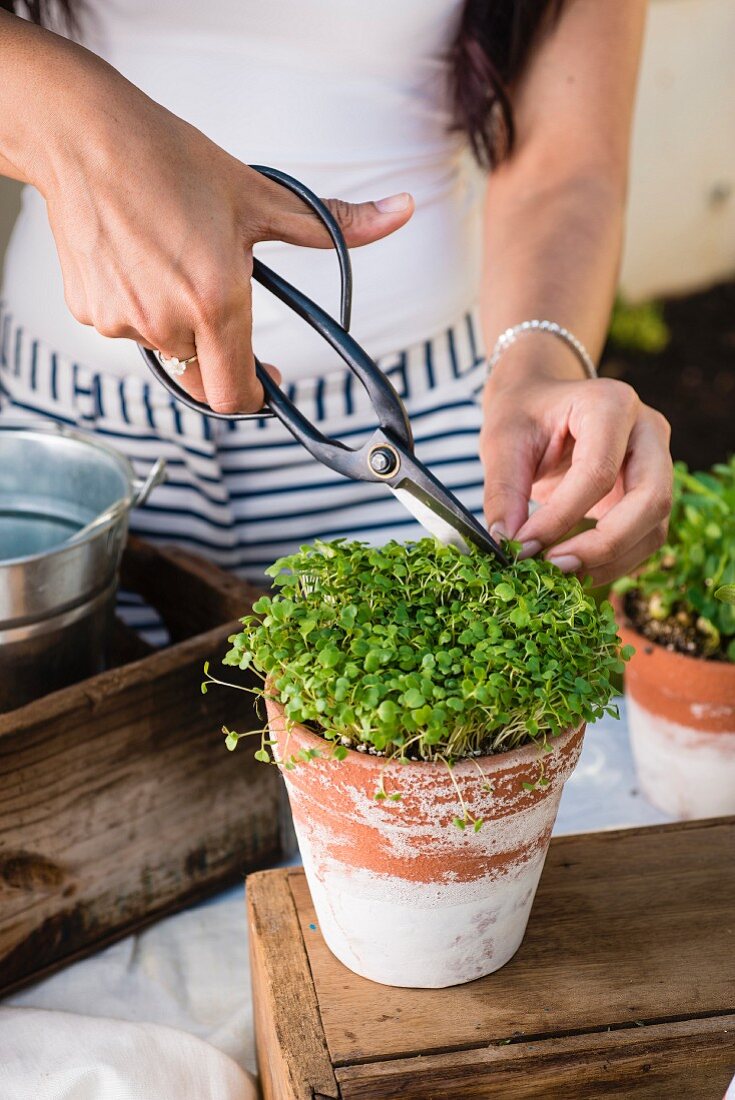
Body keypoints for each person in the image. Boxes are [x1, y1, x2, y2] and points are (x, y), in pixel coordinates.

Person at [0, 1, 672, 610]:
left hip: (444, 427)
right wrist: (86, 137)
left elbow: (563, 161)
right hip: (69, 448)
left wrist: (538, 368)